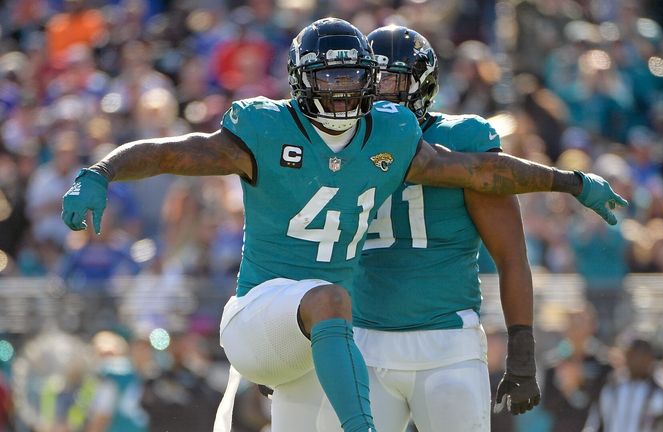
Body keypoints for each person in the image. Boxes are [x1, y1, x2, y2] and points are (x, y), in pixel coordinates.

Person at [61, 18, 627, 432]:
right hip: (299, 316)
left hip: (367, 338)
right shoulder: (267, 128)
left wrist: (571, 182)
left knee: (328, 320)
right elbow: (175, 152)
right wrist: (101, 171)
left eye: (355, 78)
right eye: (334, 78)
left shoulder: (397, 135)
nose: (349, 89)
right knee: (330, 302)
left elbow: (481, 174)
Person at [337, 25, 536, 432]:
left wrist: (521, 346)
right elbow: (309, 249)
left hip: (446, 344)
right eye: (370, 80)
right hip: (363, 342)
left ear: (421, 85)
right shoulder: (340, 141)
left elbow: (511, 256)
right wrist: (291, 340)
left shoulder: (463, 137)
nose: (379, 92)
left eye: (391, 80)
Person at [583, 338, 663, 432]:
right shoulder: (611, 385)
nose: (636, 360)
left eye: (641, 356)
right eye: (632, 355)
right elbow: (596, 421)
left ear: (650, 358)